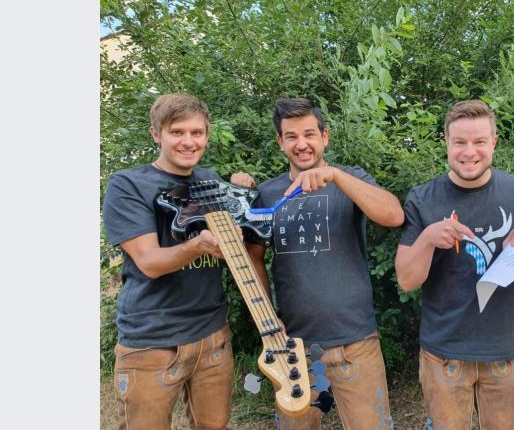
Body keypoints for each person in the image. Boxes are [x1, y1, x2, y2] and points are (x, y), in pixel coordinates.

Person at [231, 97, 403, 430]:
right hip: (294, 348)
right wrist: (268, 320)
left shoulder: (350, 179)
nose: (302, 144)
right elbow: (252, 257)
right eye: (291, 136)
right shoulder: (267, 194)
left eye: (309, 134)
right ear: (281, 142)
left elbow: (394, 215)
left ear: (324, 136)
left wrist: (336, 176)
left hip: (357, 342)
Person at [394, 99, 514, 429]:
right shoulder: (422, 198)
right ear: (446, 143)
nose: (469, 152)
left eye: (479, 141)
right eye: (459, 142)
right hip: (444, 354)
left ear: (494, 142)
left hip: (506, 352)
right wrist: (426, 238)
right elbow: (407, 280)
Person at [102, 93, 234, 430]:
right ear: (156, 134)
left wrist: (239, 190)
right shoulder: (129, 184)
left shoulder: (211, 181)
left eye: (197, 133)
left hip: (212, 336)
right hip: (153, 342)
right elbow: (149, 262)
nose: (189, 142)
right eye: (177, 132)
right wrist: (198, 245)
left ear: (207, 135)